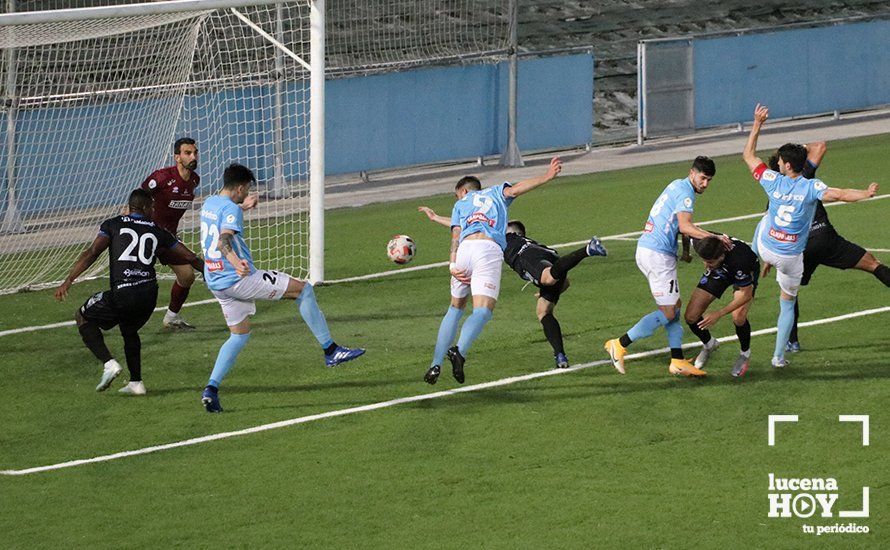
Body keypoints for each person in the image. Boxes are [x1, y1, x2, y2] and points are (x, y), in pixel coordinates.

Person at [199, 163, 364, 413]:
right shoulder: (231, 209)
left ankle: (211, 389)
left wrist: (243, 206)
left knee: (239, 335)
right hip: (238, 278)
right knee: (303, 290)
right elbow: (223, 240)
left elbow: (221, 223)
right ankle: (331, 350)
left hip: (216, 282)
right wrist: (236, 263)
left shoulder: (210, 203)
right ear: (241, 187)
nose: (247, 193)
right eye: (247, 190)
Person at [741, 103, 879, 368]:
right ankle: (778, 357)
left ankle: (752, 264)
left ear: (786, 165)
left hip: (767, 247)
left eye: (780, 160)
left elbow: (748, 155)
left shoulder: (771, 179)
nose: (777, 162)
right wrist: (865, 193)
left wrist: (757, 124)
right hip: (791, 257)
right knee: (787, 304)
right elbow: (840, 194)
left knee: (766, 217)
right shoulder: (811, 186)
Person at [423, 157, 562, 385]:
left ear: (464, 190)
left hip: (464, 252)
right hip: (487, 250)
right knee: (482, 312)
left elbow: (456, 234)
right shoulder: (496, 192)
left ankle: (435, 365)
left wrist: (452, 264)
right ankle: (459, 351)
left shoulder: (461, 204)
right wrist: (547, 176)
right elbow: (518, 188)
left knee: (455, 309)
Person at [54, 189, 203, 395]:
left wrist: (69, 280)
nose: (154, 210)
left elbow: (92, 253)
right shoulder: (158, 230)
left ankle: (109, 363)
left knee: (82, 316)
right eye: (152, 207)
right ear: (144, 208)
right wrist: (212, 274)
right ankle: (136, 383)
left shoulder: (112, 224)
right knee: (129, 329)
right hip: (149, 296)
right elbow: (190, 257)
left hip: (123, 293)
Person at [419, 207, 607, 369]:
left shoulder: (504, 236)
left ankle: (588, 249)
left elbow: (463, 225)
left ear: (511, 230)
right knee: (544, 310)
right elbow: (565, 283)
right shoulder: (527, 240)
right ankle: (560, 356)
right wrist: (543, 291)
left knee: (548, 278)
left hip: (526, 257)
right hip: (551, 256)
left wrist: (436, 218)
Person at [604, 156, 727, 378]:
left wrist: (687, 252)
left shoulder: (676, 184)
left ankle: (677, 360)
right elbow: (685, 226)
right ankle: (619, 344)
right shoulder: (686, 194)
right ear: (692, 173)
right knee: (669, 312)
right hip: (658, 256)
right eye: (703, 178)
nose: (705, 184)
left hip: (650, 249)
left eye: (709, 180)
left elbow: (680, 227)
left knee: (675, 307)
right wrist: (716, 238)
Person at [766, 142, 890, 352]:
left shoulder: (773, 195)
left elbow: (772, 229)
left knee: (789, 294)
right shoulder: (805, 176)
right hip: (825, 239)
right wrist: (865, 193)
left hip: (800, 249)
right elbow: (822, 148)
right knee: (872, 264)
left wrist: (769, 260)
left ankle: (792, 342)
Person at [139, 138, 258, 330]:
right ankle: (234, 300)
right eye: (187, 153)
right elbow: (138, 199)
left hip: (168, 238)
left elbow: (220, 208)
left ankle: (171, 318)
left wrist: (242, 206)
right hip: (148, 236)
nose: (193, 156)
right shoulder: (161, 178)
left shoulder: (194, 180)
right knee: (192, 264)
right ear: (177, 157)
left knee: (186, 276)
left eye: (195, 152)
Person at [683, 235, 758, 377]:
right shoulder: (704, 243)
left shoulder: (740, 261)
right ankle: (709, 344)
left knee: (738, 317)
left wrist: (719, 313)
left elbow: (745, 295)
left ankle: (745, 353)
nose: (706, 264)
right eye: (704, 260)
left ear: (722, 255)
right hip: (719, 271)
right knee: (691, 316)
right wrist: (686, 253)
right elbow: (686, 231)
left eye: (709, 261)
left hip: (742, 273)